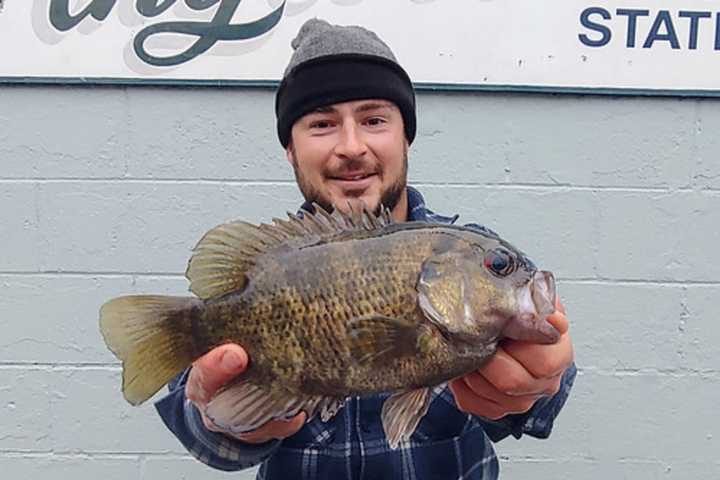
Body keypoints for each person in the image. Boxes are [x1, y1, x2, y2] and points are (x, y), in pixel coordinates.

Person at [155, 18, 576, 479]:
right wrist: (224, 420)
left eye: (374, 120)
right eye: (322, 124)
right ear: (290, 150)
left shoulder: (468, 251)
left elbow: (540, 410)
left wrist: (538, 385)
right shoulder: (267, 264)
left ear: (405, 136)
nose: (351, 146)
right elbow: (201, 429)